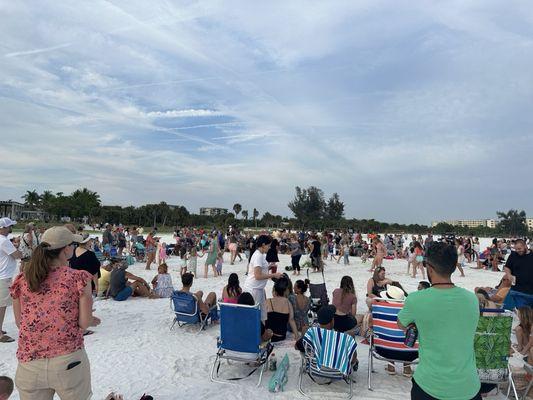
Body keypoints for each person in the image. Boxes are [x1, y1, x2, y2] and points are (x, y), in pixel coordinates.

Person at [10, 226, 100, 400]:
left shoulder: (22, 279)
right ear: (66, 249)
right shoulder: (78, 278)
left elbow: (20, 322)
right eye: (72, 244)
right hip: (68, 360)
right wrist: (92, 320)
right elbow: (84, 323)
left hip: (30, 363)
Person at [398, 241, 482, 400]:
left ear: (429, 268)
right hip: (468, 386)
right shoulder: (471, 299)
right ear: (453, 266)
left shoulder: (416, 300)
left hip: (430, 386)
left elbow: (401, 324)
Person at [295, 304, 358, 368]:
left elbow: (296, 347)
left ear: (319, 321)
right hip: (337, 372)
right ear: (332, 320)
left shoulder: (312, 336)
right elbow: (353, 360)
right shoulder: (341, 338)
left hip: (316, 370)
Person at [242, 235, 282, 321]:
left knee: (262, 313)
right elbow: (257, 276)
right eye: (268, 245)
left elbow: (260, 270)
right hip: (253, 288)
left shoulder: (261, 255)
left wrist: (269, 267)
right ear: (263, 245)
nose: (270, 247)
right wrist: (273, 275)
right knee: (255, 314)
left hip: (258, 288)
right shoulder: (258, 256)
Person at [0, 217, 22, 343]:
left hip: (2, 275)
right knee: (1, 306)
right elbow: (17, 255)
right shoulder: (4, 241)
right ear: (3, 228)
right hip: (3, 276)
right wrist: (19, 251)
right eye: (9, 227)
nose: (10, 229)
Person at [265, 277, 300, 342]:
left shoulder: (267, 301)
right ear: (286, 290)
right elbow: (291, 320)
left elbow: (263, 319)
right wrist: (297, 336)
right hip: (280, 336)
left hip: (268, 336)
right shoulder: (287, 302)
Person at [503, 239, 533, 309]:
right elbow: (507, 267)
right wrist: (509, 275)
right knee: (508, 311)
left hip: (530, 293)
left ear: (525, 246)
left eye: (519, 248)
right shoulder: (513, 255)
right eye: (516, 249)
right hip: (516, 291)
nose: (518, 251)